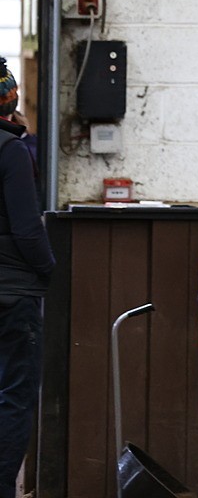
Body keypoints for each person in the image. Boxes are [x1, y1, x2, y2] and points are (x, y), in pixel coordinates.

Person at [0, 57, 54, 498]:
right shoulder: (11, 150)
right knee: (13, 398)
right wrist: (49, 270)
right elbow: (26, 228)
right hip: (11, 293)